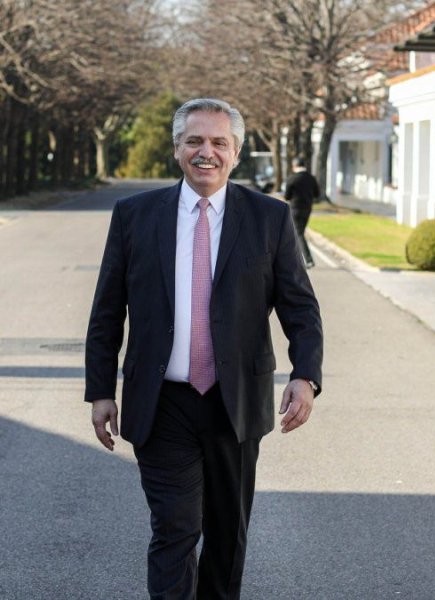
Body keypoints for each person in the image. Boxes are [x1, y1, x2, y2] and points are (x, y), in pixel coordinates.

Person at [85, 98, 324, 599]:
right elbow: (108, 310)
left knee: (226, 536)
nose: (206, 152)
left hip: (234, 404)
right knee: (174, 528)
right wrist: (100, 390)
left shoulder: (269, 219)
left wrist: (306, 374)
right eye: (194, 141)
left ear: (236, 152)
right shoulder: (135, 216)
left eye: (219, 142)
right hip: (162, 402)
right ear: (177, 149)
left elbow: (300, 308)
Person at [284, 156, 320, 268]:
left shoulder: (292, 178)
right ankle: (294, 258)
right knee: (298, 233)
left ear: (294, 166)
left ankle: (308, 260)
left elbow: (287, 196)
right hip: (308, 208)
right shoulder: (311, 178)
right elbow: (317, 194)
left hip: (295, 208)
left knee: (298, 233)